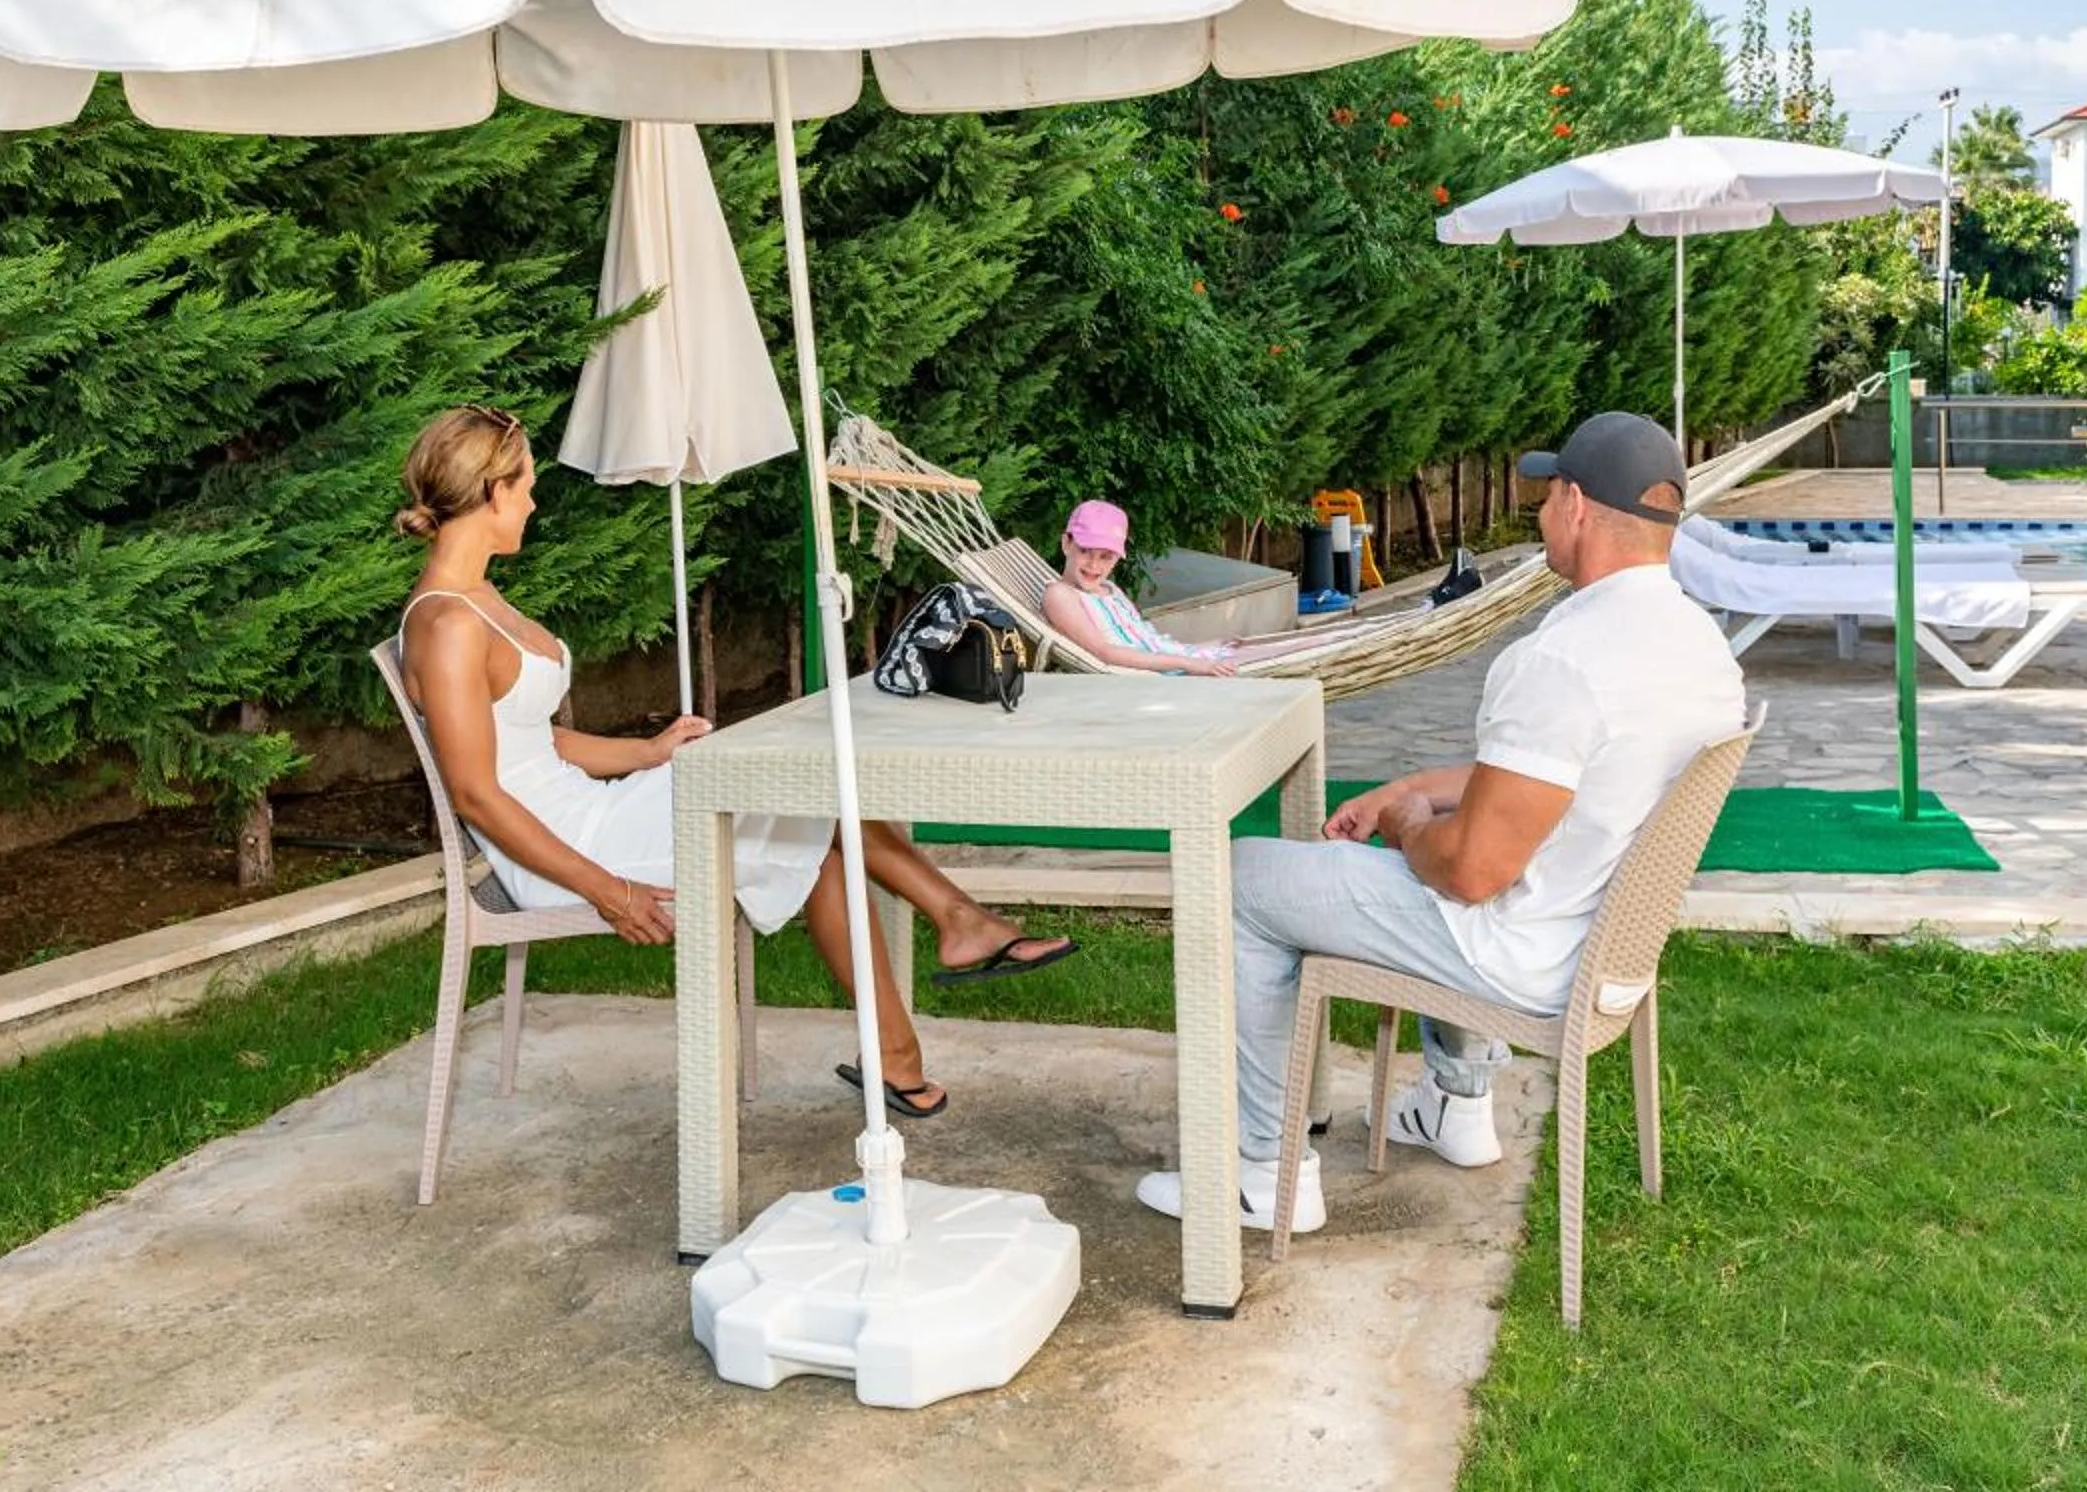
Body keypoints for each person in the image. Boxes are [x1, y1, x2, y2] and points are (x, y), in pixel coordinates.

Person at [1135, 412, 1745, 1232]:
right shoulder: (1698, 646)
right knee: (1431, 851)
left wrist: (1413, 823)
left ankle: (1259, 1174)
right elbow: (1557, 780)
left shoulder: (1566, 660)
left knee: (1242, 879)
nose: (1537, 517)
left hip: (1520, 953)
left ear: (1573, 503)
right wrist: (1408, 789)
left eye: (1543, 497)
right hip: (1596, 944)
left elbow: (1469, 873)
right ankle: (1456, 1109)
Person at [393, 404, 1076, 1120]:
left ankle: (916, 1018)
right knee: (806, 800)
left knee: (807, 802)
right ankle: (952, 939)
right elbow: (475, 792)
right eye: (527, 482)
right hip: (564, 849)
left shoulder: (479, 599)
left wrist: (648, 751)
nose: (533, 498)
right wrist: (609, 890)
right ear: (493, 489)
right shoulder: (445, 625)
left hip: (586, 812)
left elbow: (533, 741)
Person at [1041, 499, 1241, 678]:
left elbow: (1145, 638)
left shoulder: (1109, 588)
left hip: (1173, 658)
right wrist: (1191, 664)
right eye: (1085, 551)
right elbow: (1103, 652)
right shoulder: (1060, 595)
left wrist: (1201, 649)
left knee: (1246, 650)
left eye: (1106, 556)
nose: (1094, 565)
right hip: (1159, 673)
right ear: (1066, 543)